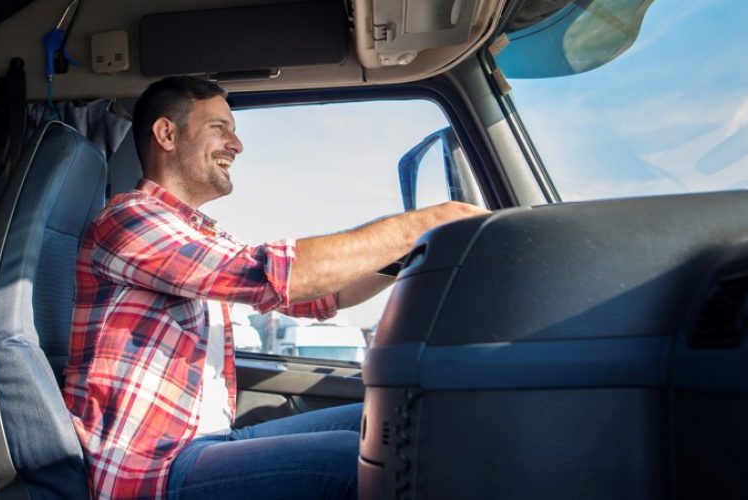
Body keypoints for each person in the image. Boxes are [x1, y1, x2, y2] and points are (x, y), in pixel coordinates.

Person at [62, 76, 488, 499]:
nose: (237, 145)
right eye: (219, 128)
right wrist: (422, 222)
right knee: (350, 460)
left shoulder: (197, 234)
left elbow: (323, 296)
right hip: (150, 469)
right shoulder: (129, 219)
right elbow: (272, 274)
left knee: (386, 420)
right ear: (166, 134)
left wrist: (412, 252)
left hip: (202, 443)